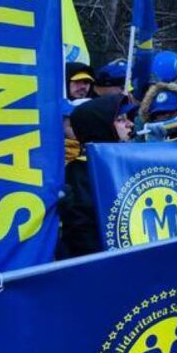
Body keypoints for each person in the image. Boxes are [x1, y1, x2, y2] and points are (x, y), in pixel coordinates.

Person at [58, 94, 135, 259]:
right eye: (121, 120)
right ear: (101, 126)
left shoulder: (124, 161)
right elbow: (82, 234)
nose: (130, 124)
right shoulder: (79, 171)